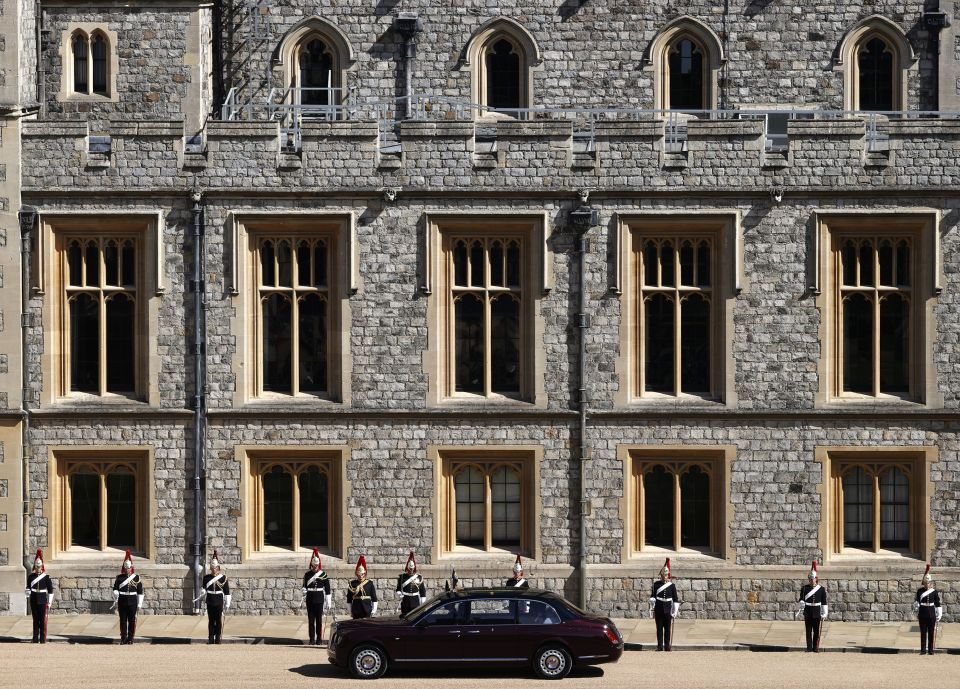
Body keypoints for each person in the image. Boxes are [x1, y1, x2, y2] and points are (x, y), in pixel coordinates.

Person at [112, 550, 144, 645]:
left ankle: (130, 638)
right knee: (122, 620)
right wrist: (116, 593)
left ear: (131, 568)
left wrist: (139, 604)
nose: (127, 570)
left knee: (132, 620)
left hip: (133, 601)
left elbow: (140, 592)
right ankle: (123, 638)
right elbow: (115, 588)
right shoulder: (119, 578)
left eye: (128, 568)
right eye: (125, 568)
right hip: (122, 600)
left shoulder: (136, 578)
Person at [649, 557, 680, 651]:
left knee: (667, 629)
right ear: (661, 575)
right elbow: (653, 596)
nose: (664, 577)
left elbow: (675, 599)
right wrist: (652, 601)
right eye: (663, 575)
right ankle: (659, 646)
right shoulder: (656, 585)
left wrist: (675, 610)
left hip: (668, 609)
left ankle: (667, 646)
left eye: (666, 575)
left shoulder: (672, 586)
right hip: (658, 609)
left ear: (668, 575)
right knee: (659, 629)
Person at [796, 560, 827, 652]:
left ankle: (816, 647)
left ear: (816, 579)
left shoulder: (821, 589)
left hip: (817, 611)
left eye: (813, 579)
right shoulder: (804, 588)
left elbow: (824, 602)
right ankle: (809, 647)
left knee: (816, 631)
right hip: (808, 611)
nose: (811, 580)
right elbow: (801, 598)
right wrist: (801, 602)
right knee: (808, 631)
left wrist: (824, 612)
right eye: (810, 579)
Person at [302, 547, 331, 645]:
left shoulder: (323, 575)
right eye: (313, 565)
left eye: (316, 565)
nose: (315, 567)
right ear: (312, 564)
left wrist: (329, 602)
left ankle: (319, 639)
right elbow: (304, 586)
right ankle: (312, 639)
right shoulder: (307, 574)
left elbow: (327, 589)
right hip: (310, 599)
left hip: (319, 599)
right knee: (311, 621)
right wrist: (304, 592)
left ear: (318, 565)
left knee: (319, 621)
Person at [202, 550, 231, 644]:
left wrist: (227, 603)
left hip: (219, 601)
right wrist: (202, 591)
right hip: (210, 600)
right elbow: (203, 588)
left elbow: (226, 592)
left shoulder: (223, 578)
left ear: (218, 568)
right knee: (211, 620)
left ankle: (217, 638)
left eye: (216, 568)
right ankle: (211, 638)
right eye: (212, 568)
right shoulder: (206, 578)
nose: (214, 569)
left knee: (218, 620)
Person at [25, 549, 54, 644]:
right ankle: (35, 638)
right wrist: (27, 592)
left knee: (42, 621)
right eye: (37, 567)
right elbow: (28, 587)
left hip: (42, 600)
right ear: (35, 567)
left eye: (39, 566)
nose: (38, 568)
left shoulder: (46, 577)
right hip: (33, 600)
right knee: (35, 620)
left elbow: (50, 591)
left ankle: (42, 639)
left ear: (42, 567)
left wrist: (49, 602)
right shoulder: (31, 577)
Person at [914, 563, 943, 655]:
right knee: (923, 632)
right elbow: (917, 601)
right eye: (926, 583)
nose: (927, 585)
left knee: (931, 632)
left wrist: (939, 614)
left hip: (931, 613)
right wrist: (915, 605)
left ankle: (931, 650)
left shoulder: (934, 592)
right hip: (922, 612)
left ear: (931, 583)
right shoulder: (920, 591)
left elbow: (937, 603)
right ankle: (923, 650)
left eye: (928, 583)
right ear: (924, 583)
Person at [396, 551, 427, 616]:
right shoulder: (402, 577)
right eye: (410, 568)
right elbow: (398, 589)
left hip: (415, 601)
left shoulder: (419, 577)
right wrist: (399, 594)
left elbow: (422, 592)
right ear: (407, 568)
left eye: (412, 568)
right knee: (404, 617)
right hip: (405, 600)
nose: (411, 570)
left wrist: (423, 605)